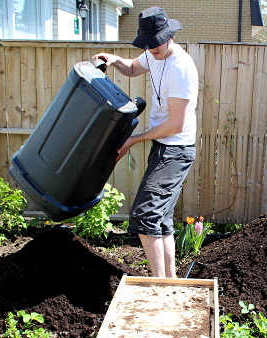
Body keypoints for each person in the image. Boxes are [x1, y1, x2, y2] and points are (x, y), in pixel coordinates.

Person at [92, 7, 198, 278]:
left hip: (176, 150)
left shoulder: (180, 68)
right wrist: (113, 59)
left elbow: (176, 125)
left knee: (144, 215)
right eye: (148, 44)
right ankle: (170, 281)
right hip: (164, 147)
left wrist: (134, 139)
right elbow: (132, 68)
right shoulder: (153, 54)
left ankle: (159, 283)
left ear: (169, 35)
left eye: (157, 42)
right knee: (159, 218)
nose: (152, 49)